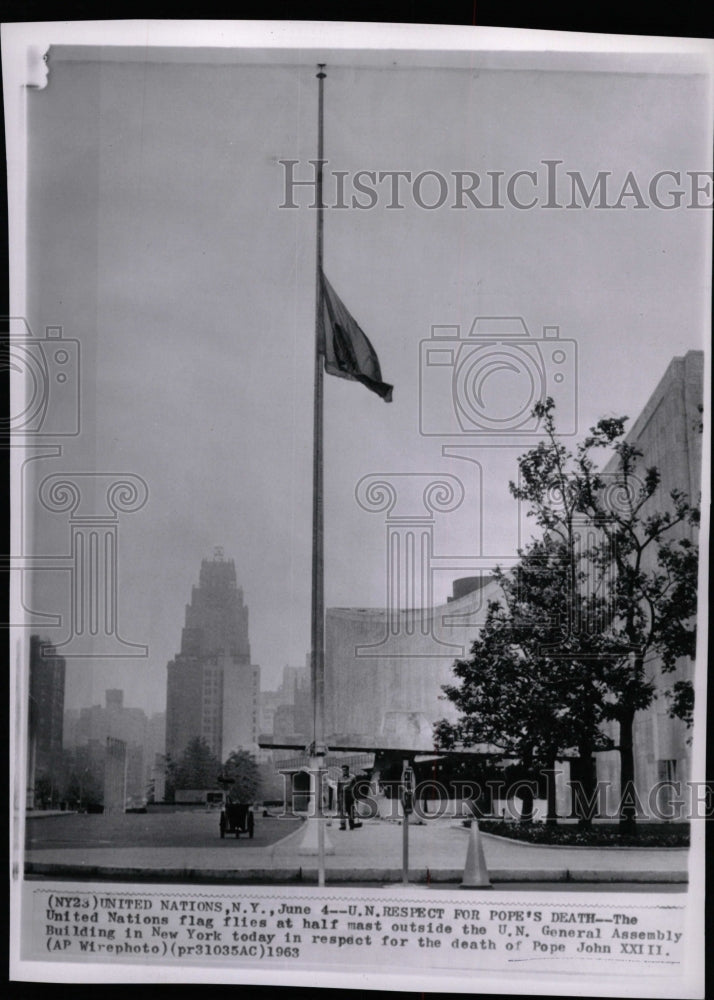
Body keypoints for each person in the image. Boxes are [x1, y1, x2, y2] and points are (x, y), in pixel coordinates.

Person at [338, 764, 356, 830]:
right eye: (343, 770)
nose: (344, 771)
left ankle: (351, 824)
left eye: (345, 770)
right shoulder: (340, 777)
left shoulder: (352, 777)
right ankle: (343, 825)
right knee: (342, 811)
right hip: (342, 795)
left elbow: (355, 787)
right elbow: (338, 787)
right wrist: (338, 797)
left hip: (350, 795)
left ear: (348, 770)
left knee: (350, 810)